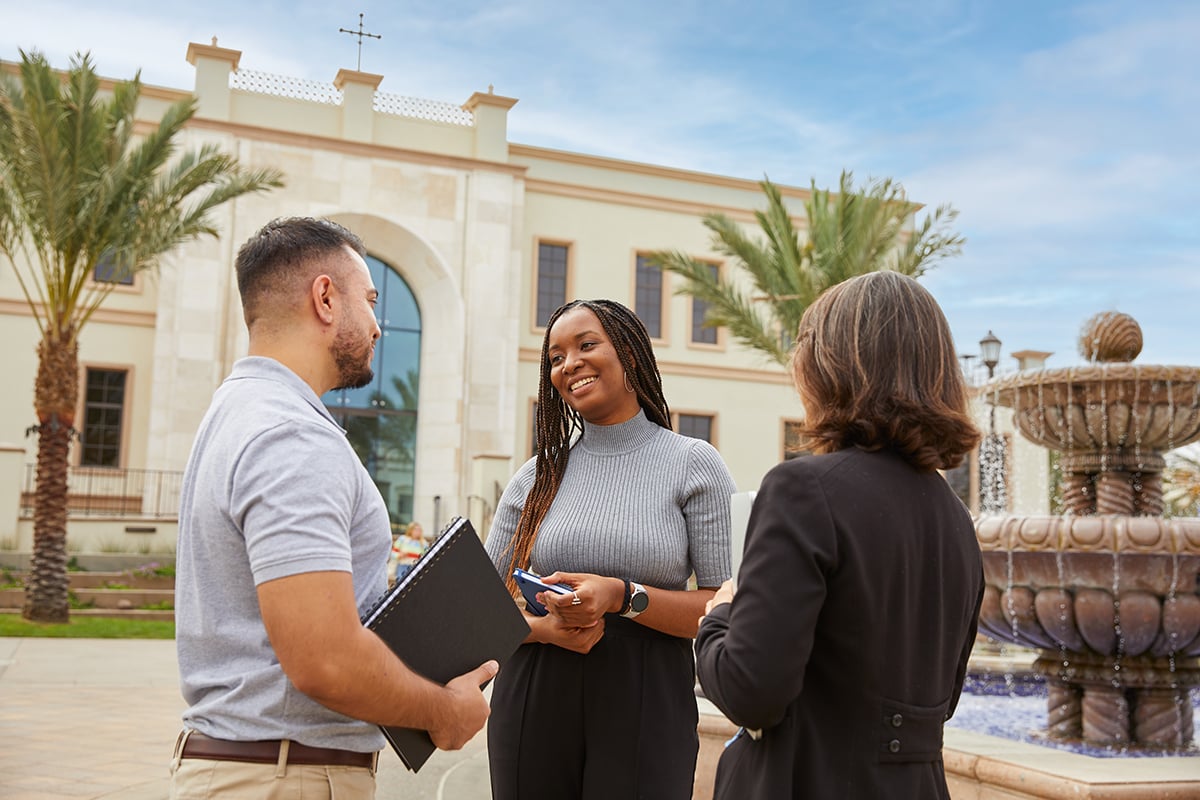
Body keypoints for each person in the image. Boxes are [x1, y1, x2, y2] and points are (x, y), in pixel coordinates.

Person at [170, 217, 496, 799]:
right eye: (371, 301)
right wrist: (442, 712)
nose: (378, 326)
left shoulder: (239, 409)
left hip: (255, 770)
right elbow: (325, 660)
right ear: (325, 298)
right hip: (283, 778)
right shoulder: (292, 435)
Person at [694, 271, 985, 799]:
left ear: (831, 366)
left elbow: (750, 691)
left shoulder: (802, 490)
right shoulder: (956, 519)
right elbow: (941, 701)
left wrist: (718, 617)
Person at [484, 298, 736, 799]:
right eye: (555, 357)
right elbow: (480, 612)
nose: (568, 364)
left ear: (630, 354)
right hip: (535, 691)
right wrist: (544, 630)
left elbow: (724, 608)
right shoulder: (535, 478)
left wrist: (624, 595)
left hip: (647, 698)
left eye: (585, 344)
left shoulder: (692, 464)